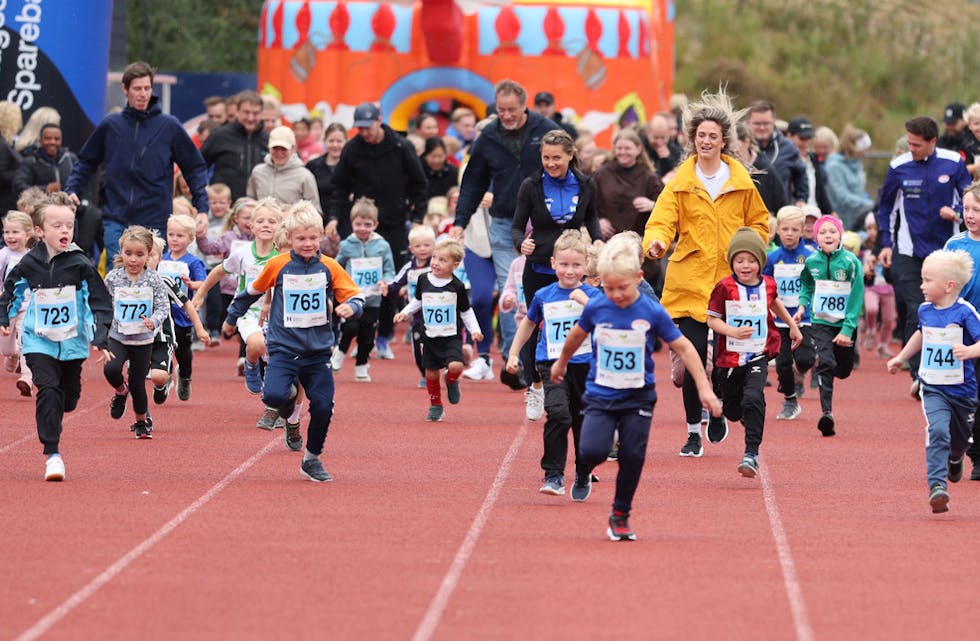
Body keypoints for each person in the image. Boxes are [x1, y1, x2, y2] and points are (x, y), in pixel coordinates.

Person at [551, 233, 721, 541]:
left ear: (639, 278)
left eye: (622, 287)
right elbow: (576, 336)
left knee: (632, 456)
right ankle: (585, 468)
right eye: (608, 287)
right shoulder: (597, 306)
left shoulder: (651, 311)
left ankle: (620, 514)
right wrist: (561, 362)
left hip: (638, 396)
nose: (615, 294)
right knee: (592, 450)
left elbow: (684, 348)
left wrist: (705, 389)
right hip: (601, 394)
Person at [643, 89, 769, 458]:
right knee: (693, 355)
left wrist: (750, 255)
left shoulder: (741, 182)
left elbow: (760, 224)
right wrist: (655, 243)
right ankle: (692, 431)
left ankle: (718, 409)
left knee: (725, 364)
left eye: (713, 136)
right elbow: (661, 222)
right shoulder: (680, 183)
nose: (706, 141)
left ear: (723, 140)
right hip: (690, 283)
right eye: (701, 136)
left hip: (731, 286)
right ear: (692, 139)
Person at [225, 201, 364, 481]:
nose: (308, 243)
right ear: (289, 238)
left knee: (324, 407)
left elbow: (354, 295)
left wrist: (352, 307)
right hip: (284, 349)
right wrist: (231, 318)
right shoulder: (277, 265)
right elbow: (250, 292)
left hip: (317, 353)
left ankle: (312, 459)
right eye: (301, 238)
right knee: (274, 396)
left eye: (314, 238)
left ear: (321, 237)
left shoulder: (329, 266)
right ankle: (287, 401)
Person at [0, 193, 113, 481]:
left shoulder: (80, 264)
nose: (65, 231)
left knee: (68, 399)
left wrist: (100, 336)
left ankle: (55, 412)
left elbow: (99, 300)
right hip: (38, 340)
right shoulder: (28, 263)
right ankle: (53, 455)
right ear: (40, 231)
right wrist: (4, 318)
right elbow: (11, 290)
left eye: (69, 225)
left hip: (72, 343)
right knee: (47, 390)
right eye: (57, 225)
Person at [452, 79, 560, 360]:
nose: (508, 115)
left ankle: (543, 352)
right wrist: (459, 223)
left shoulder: (546, 130)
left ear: (525, 106)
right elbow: (472, 184)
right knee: (513, 290)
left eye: (513, 109)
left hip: (544, 224)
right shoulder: (487, 136)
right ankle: (518, 360)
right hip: (504, 223)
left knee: (544, 289)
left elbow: (570, 171)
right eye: (502, 110)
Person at [65, 62, 209, 266]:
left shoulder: (169, 126)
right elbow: (87, 161)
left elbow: (194, 167)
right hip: (116, 217)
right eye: (137, 89)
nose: (143, 94)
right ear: (125, 89)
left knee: (153, 277)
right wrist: (73, 188)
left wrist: (202, 207)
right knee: (118, 276)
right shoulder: (111, 125)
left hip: (155, 218)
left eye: (147, 88)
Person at [877, 116, 972, 399]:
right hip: (909, 250)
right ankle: (920, 374)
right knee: (916, 306)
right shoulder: (898, 167)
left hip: (947, 253)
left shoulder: (953, 162)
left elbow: (968, 198)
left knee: (949, 307)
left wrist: (954, 210)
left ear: (933, 142)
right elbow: (885, 209)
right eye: (909, 143)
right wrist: (885, 244)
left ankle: (954, 367)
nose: (911, 148)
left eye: (917, 144)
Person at [511, 128, 602, 421]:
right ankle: (535, 386)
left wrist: (598, 239)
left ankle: (577, 383)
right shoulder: (531, 185)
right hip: (539, 267)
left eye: (557, 159)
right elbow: (516, 226)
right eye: (546, 158)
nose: (551, 164)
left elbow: (591, 217)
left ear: (570, 155)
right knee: (535, 324)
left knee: (576, 324)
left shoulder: (585, 184)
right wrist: (520, 243)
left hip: (572, 266)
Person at [327, 102, 429, 360]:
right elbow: (338, 187)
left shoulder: (400, 146)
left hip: (393, 225)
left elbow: (420, 184)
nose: (364, 132)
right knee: (354, 279)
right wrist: (333, 218)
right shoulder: (352, 149)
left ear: (379, 121)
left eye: (368, 127)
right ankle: (354, 333)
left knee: (388, 283)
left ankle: (383, 336)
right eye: (359, 128)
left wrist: (417, 218)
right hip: (361, 222)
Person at [505, 230, 601, 497]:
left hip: (586, 366)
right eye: (564, 264)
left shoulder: (593, 296)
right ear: (553, 264)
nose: (570, 271)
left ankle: (583, 473)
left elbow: (610, 322)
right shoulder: (544, 295)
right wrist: (514, 353)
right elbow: (529, 323)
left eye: (576, 265)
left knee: (583, 420)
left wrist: (589, 304)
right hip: (551, 363)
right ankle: (554, 475)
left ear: (586, 266)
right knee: (558, 413)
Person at [886, 249, 980, 513]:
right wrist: (900, 357)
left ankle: (956, 456)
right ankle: (937, 486)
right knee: (937, 431)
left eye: (927, 280)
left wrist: (969, 351)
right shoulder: (925, 310)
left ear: (949, 285)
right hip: (933, 386)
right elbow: (921, 335)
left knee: (960, 440)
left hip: (963, 391)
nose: (921, 285)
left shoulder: (965, 312)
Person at [708, 227, 802, 476]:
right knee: (733, 409)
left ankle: (751, 453)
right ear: (732, 263)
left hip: (759, 353)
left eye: (751, 260)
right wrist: (731, 331)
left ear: (760, 263)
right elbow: (712, 320)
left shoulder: (768, 284)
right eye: (739, 260)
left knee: (753, 397)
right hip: (729, 357)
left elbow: (775, 303)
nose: (745, 265)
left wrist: (792, 326)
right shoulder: (724, 287)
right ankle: (720, 413)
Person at [393, 238, 484, 422]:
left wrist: (475, 330)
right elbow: (418, 301)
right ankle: (436, 404)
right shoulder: (424, 279)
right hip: (430, 336)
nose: (435, 262)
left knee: (456, 366)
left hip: (451, 336)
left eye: (443, 260)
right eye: (435, 257)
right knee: (431, 373)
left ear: (455, 265)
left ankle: (451, 381)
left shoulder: (457, 286)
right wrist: (404, 313)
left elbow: (466, 311)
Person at [793, 215, 863, 436]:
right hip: (820, 321)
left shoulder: (852, 262)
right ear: (816, 238)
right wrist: (803, 306)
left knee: (842, 370)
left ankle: (836, 370)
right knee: (826, 362)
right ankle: (827, 414)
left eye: (832, 231)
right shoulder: (812, 262)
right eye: (822, 232)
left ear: (840, 235)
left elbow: (856, 297)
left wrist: (847, 329)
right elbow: (805, 283)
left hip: (845, 323)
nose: (828, 236)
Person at [103, 226, 174, 438]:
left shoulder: (153, 280)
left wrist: (153, 320)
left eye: (139, 255)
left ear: (149, 255)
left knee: (137, 383)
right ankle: (119, 391)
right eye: (128, 254)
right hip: (118, 335)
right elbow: (103, 303)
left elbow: (163, 307)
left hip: (143, 339)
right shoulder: (113, 277)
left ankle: (141, 422)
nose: (133, 260)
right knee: (111, 369)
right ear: (121, 253)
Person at [331, 197, 396, 382]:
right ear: (352, 223)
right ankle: (339, 353)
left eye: (367, 224)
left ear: (375, 224)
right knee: (350, 327)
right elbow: (337, 266)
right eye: (358, 224)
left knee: (367, 334)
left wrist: (386, 282)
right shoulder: (346, 245)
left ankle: (361, 365)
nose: (362, 228)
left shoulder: (382, 246)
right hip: (351, 296)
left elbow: (390, 269)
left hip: (373, 298)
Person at [763, 206, 816, 420]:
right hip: (780, 320)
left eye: (795, 229)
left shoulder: (811, 257)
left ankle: (800, 372)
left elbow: (816, 284)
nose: (789, 234)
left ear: (803, 231)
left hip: (806, 318)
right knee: (782, 363)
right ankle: (790, 400)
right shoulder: (773, 258)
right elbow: (765, 285)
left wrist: (807, 306)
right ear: (777, 231)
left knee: (805, 359)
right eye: (785, 229)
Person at [943, 182, 980, 480]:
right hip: (961, 331)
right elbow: (942, 284)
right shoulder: (955, 244)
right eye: (966, 209)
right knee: (965, 397)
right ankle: (962, 449)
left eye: (976, 210)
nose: (969, 215)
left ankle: (978, 457)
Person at [158, 213, 208, 401]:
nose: (174, 239)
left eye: (180, 236)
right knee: (163, 348)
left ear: (190, 239)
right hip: (163, 315)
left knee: (183, 353)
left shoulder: (193, 262)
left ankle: (185, 376)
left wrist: (191, 284)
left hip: (183, 315)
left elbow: (203, 284)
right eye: (171, 234)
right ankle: (164, 378)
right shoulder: (160, 260)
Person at [389, 224, 435, 386]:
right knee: (418, 349)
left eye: (427, 245)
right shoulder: (409, 267)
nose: (422, 249)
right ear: (411, 248)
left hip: (436, 313)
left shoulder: (436, 264)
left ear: (434, 246)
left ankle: (441, 368)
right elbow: (396, 282)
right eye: (418, 246)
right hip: (416, 315)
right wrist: (386, 287)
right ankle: (425, 374)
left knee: (437, 345)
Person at [200, 91, 269, 201]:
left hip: (260, 209)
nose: (251, 118)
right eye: (246, 112)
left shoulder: (269, 140)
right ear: (237, 112)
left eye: (255, 113)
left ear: (261, 114)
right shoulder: (219, 136)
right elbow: (198, 166)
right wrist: (203, 193)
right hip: (224, 209)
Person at [746, 100, 808, 205]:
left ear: (774, 122)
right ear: (748, 123)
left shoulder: (788, 147)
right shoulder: (738, 146)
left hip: (779, 213)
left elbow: (801, 175)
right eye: (757, 123)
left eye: (766, 123)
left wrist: (801, 199)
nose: (762, 127)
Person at [247, 126, 321, 212]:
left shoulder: (305, 176)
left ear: (293, 148)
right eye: (275, 148)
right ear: (269, 147)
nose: (279, 153)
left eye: (283, 149)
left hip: (292, 225)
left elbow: (315, 210)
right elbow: (250, 202)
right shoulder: (258, 172)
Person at [0, 210, 34, 395]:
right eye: (7, 232)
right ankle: (12, 356)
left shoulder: (33, 256)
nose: (10, 236)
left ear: (28, 234)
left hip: (27, 308)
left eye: (15, 232)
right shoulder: (4, 255)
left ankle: (27, 379)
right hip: (7, 307)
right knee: (6, 348)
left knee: (25, 343)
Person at [823, 125, 874, 231]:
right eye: (865, 149)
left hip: (857, 217)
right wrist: (868, 204)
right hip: (841, 221)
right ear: (855, 148)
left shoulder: (856, 164)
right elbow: (842, 196)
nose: (867, 152)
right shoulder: (834, 166)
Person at [785, 116, 833, 216]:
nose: (806, 143)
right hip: (793, 216)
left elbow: (821, 192)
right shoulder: (784, 161)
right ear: (789, 136)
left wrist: (831, 212)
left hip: (815, 215)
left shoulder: (813, 159)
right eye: (802, 138)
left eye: (809, 138)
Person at [307, 123, 349, 235]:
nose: (335, 145)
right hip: (319, 221)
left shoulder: (352, 165)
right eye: (331, 141)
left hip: (347, 222)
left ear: (346, 142)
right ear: (325, 141)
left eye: (339, 141)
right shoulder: (313, 166)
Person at [642, 113, 683, 180]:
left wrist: (669, 158)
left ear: (668, 134)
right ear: (648, 133)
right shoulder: (640, 149)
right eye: (656, 137)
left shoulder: (676, 151)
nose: (659, 142)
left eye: (663, 138)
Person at [0, 101, 23, 214]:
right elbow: (1, 174)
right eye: (18, 118)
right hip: (4, 207)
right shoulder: (2, 145)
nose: (20, 124)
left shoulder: (5, 144)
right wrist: (23, 174)